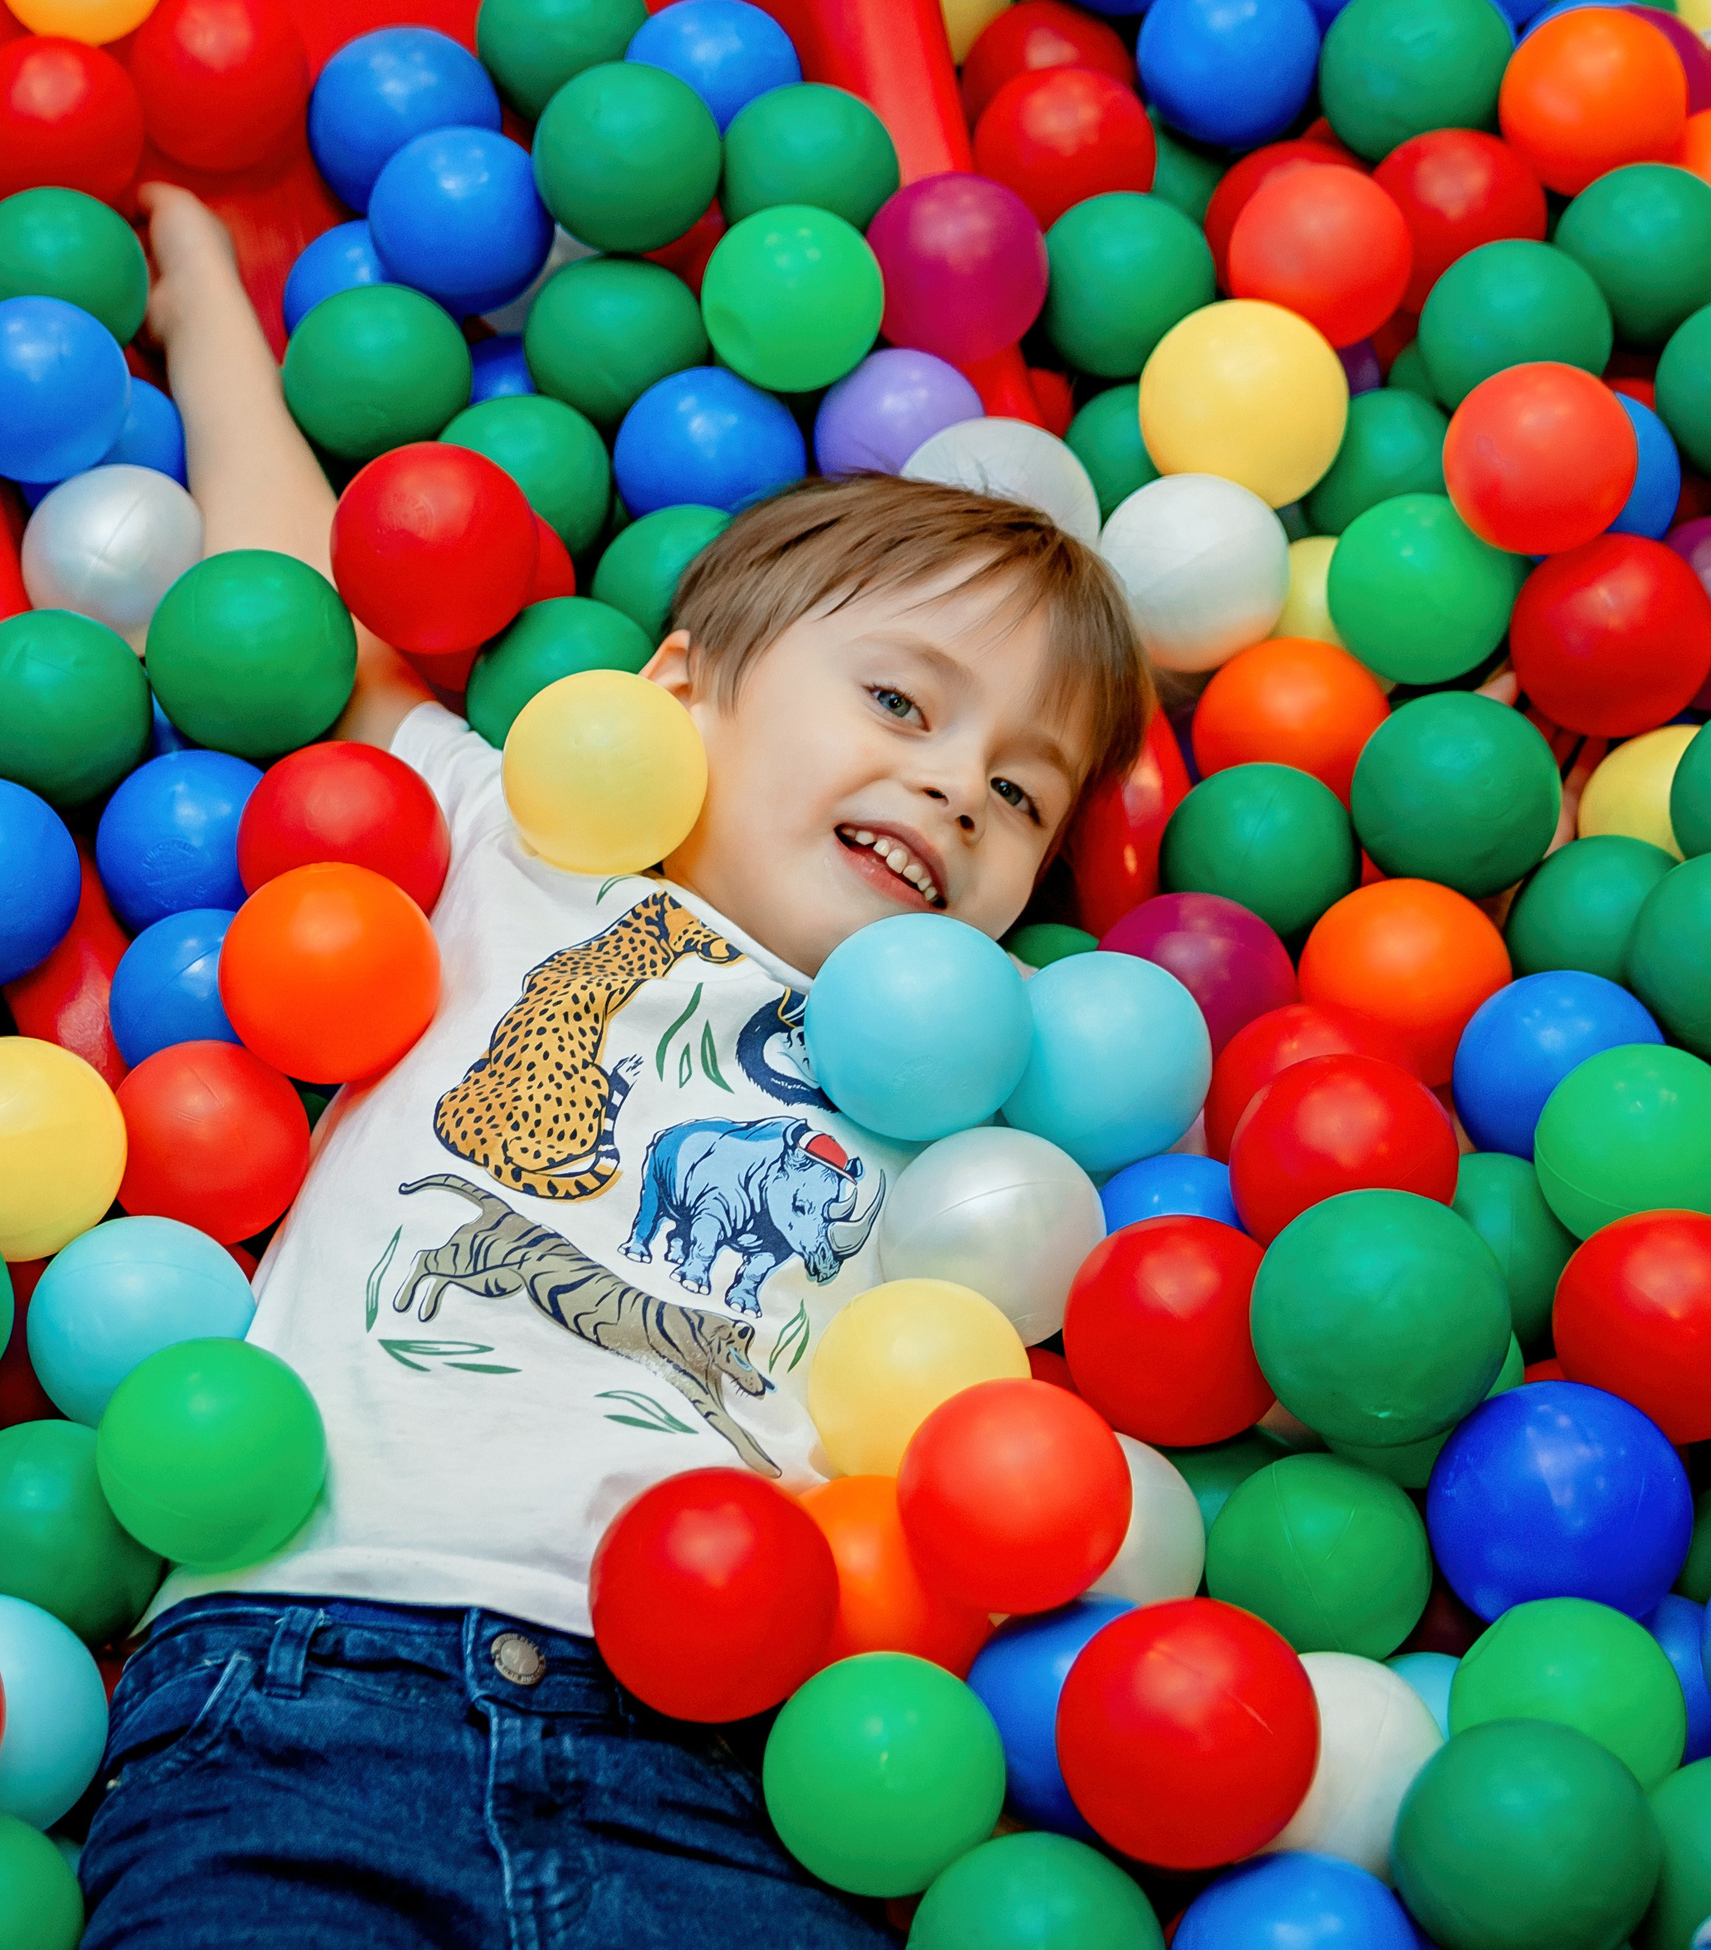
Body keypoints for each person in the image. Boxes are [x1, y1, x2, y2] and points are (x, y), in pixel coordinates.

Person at [77, 183, 1156, 1950]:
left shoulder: (976, 1098)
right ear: (680, 691)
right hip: (307, 1681)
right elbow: (274, 608)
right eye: (902, 704)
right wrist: (208, 318)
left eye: (1023, 789)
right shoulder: (524, 831)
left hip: (736, 1771)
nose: (963, 784)